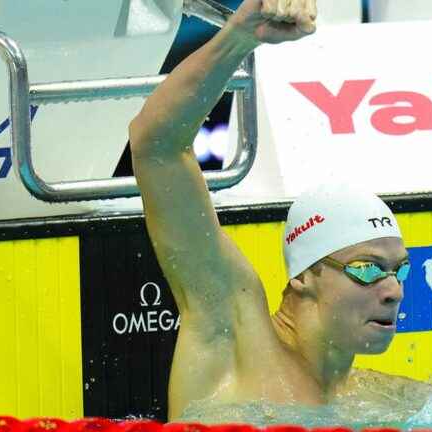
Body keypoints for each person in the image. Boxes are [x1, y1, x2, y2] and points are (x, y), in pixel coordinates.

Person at [129, 0, 413, 419]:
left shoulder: (382, 400)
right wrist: (239, 38)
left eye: (399, 270)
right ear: (304, 276)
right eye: (367, 269)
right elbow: (155, 146)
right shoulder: (235, 337)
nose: (393, 291)